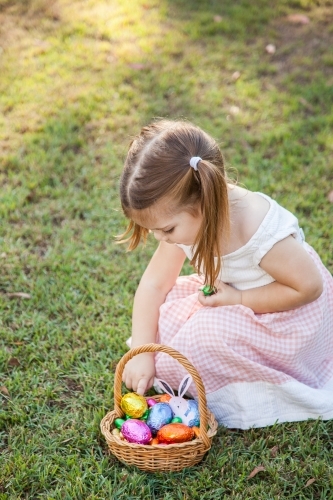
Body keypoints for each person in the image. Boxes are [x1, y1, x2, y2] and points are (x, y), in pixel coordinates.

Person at [118, 119, 333, 429]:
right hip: (231, 296)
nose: (160, 238)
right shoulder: (185, 219)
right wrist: (141, 351)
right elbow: (154, 285)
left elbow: (309, 288)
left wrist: (241, 298)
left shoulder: (256, 228)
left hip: (287, 316)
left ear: (204, 201)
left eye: (166, 229)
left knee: (203, 337)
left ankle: (245, 387)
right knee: (166, 316)